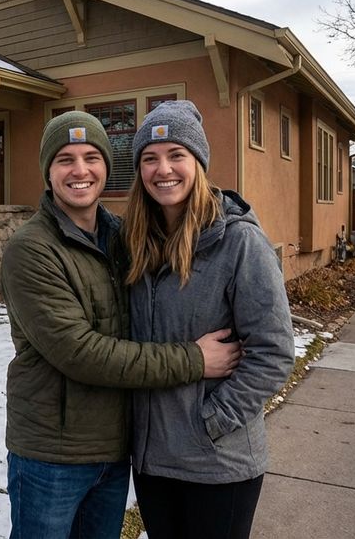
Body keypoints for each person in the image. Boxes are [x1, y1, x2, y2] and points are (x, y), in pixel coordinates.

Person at [0, 111, 242, 539]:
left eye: (92, 157)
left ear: (106, 168)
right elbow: (81, 352)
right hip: (52, 456)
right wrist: (193, 359)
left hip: (115, 451)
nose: (80, 170)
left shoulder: (124, 237)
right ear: (48, 173)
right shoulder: (31, 249)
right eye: (65, 159)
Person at [123, 100, 294, 539]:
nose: (164, 169)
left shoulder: (240, 243)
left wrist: (211, 422)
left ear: (198, 162)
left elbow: (272, 353)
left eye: (176, 155)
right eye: (150, 158)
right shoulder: (138, 245)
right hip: (153, 459)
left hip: (219, 463)